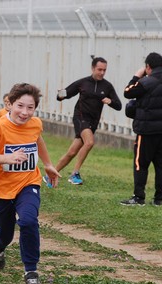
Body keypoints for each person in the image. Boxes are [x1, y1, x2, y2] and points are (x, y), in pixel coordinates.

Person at [0, 83, 61, 284]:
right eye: (20, 106)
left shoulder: (35, 124)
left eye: (30, 107)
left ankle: (31, 273)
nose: (25, 112)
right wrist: (8, 158)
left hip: (28, 182)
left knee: (28, 220)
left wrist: (48, 164)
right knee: (5, 235)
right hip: (2, 187)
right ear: (10, 104)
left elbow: (38, 140)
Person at [45, 56, 121, 186]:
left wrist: (110, 101)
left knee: (72, 152)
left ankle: (50, 175)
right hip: (80, 117)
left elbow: (118, 105)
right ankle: (75, 173)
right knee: (90, 142)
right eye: (99, 69)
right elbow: (64, 94)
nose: (102, 72)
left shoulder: (107, 86)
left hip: (93, 122)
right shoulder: (83, 83)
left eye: (104, 70)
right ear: (93, 68)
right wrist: (60, 94)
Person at [120, 52, 162, 206]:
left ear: (148, 67)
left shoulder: (145, 83)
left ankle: (138, 197)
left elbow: (127, 92)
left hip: (147, 130)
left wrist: (136, 76)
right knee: (161, 164)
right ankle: (159, 198)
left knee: (141, 163)